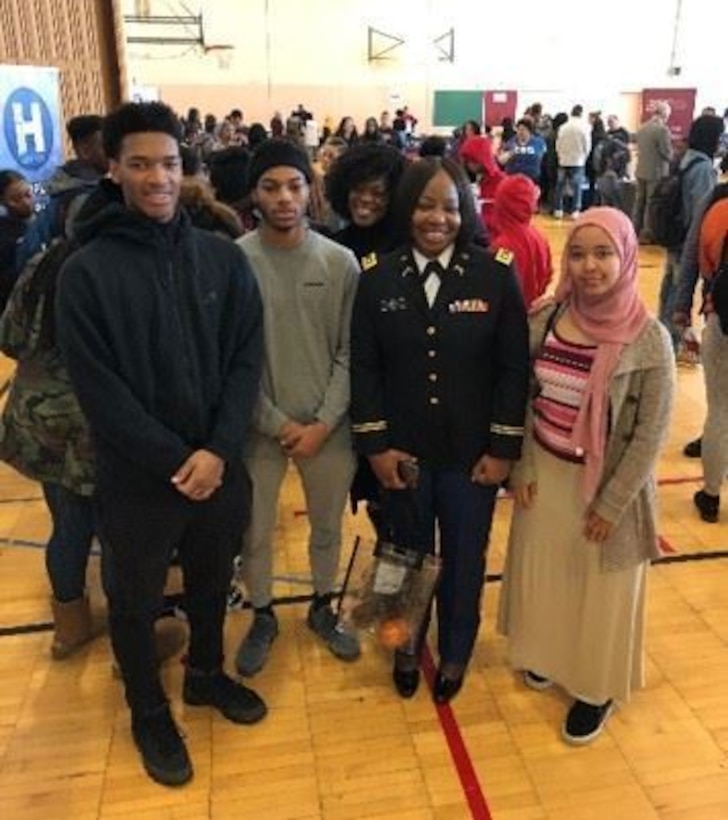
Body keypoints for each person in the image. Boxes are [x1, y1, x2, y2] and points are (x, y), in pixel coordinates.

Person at [56, 101, 266, 787]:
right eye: (140, 164)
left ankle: (205, 674)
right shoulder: (84, 274)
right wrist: (180, 461)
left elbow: (244, 361)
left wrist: (218, 450)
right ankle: (148, 707)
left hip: (217, 465)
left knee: (211, 584)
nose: (157, 179)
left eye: (169, 164)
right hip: (140, 479)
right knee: (135, 598)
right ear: (111, 169)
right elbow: (101, 393)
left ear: (186, 167)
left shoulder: (222, 260)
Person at [350, 157, 529, 703]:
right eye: (425, 205)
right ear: (407, 208)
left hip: (469, 456)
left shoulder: (495, 274)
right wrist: (375, 446)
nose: (437, 218)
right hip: (402, 454)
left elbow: (512, 369)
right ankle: (404, 644)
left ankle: (455, 652)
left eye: (450, 207)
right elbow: (365, 367)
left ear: (466, 211)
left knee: (464, 558)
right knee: (402, 554)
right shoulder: (377, 275)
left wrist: (502, 450)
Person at [499, 207, 675, 745]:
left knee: (603, 592)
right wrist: (523, 463)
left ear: (625, 257)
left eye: (603, 253)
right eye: (578, 254)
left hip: (605, 488)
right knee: (549, 577)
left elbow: (650, 436)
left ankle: (596, 689)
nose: (589, 266)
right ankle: (548, 656)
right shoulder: (547, 316)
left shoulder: (650, 340)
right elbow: (522, 397)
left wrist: (611, 504)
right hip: (546, 473)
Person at [234, 139, 361, 678]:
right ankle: (262, 613)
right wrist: (276, 421)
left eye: (294, 185)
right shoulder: (234, 261)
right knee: (255, 530)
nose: (284, 197)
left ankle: (322, 605)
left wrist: (323, 422)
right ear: (255, 195)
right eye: (271, 187)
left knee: (327, 526)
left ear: (311, 192)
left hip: (327, 430)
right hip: (259, 427)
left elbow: (350, 352)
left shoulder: (340, 262)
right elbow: (232, 360)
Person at [673, 181, 728, 521]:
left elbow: (693, 254)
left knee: (721, 408)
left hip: (721, 317)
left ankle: (710, 494)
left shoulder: (718, 201)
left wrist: (681, 307)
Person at [490, 174, 553, 308]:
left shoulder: (503, 246)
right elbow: (548, 273)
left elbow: (495, 280)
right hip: (532, 306)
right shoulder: (540, 237)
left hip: (507, 313)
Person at [632, 101, 672, 242]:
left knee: (639, 203)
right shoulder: (662, 130)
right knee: (651, 204)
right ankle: (647, 234)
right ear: (664, 114)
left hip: (641, 170)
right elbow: (666, 153)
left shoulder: (642, 128)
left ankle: (634, 230)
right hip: (656, 172)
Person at [0, 169, 34, 311]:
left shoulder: (44, 223)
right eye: (15, 199)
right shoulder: (4, 235)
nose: (26, 202)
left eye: (28, 195)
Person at [554, 104, 592, 219]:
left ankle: (558, 209)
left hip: (563, 159)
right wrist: (585, 156)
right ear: (581, 113)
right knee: (577, 186)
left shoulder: (563, 127)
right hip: (578, 160)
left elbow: (558, 144)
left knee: (560, 185)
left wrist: (560, 155)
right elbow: (587, 145)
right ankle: (575, 210)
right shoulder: (585, 127)